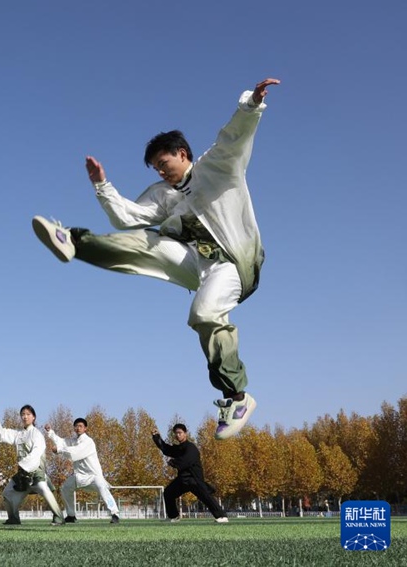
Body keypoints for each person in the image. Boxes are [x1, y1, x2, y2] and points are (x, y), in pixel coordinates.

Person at [32, 78, 281, 439]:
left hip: (237, 263)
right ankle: (73, 242)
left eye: (165, 164)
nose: (162, 173)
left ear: (183, 153)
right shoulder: (162, 195)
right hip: (200, 266)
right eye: (156, 169)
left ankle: (237, 397)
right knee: (149, 242)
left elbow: (235, 137)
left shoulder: (218, 166)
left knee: (204, 313)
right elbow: (127, 217)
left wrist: (252, 104)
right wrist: (102, 185)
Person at [0, 406, 65, 525]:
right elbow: (3, 433)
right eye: (23, 414)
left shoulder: (37, 434)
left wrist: (24, 467)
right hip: (22, 474)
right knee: (7, 493)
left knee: (44, 489)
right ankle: (13, 518)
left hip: (35, 473)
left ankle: (59, 517)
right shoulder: (18, 434)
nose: (25, 416)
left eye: (28, 414)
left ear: (34, 417)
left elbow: (36, 454)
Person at [45, 418, 120, 524]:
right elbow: (61, 442)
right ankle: (71, 515)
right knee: (65, 488)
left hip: (94, 476)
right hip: (79, 476)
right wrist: (50, 432)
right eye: (76, 426)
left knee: (102, 488)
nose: (78, 428)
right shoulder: (73, 441)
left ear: (85, 428)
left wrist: (59, 450)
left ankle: (115, 514)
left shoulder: (88, 442)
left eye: (80, 426)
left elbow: (76, 453)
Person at [152, 424, 228, 523]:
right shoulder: (179, 448)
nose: (177, 435)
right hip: (182, 480)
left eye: (180, 433)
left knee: (206, 497)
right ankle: (173, 516)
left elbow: (186, 461)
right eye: (176, 433)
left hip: (194, 479)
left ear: (185, 434)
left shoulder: (191, 448)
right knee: (168, 493)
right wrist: (156, 437)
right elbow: (166, 449)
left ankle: (222, 517)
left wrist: (173, 462)